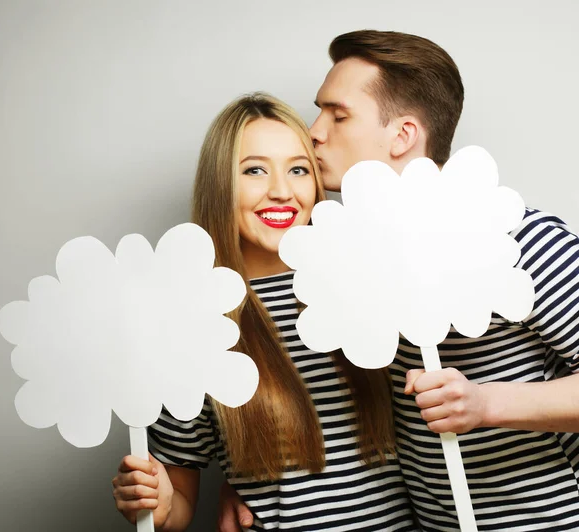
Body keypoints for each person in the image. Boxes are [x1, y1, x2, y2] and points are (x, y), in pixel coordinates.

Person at [218, 31, 579, 531]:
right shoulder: (351, 261)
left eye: (337, 115)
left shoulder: (516, 236)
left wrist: (484, 402)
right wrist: (248, 481)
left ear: (403, 135)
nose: (314, 132)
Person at [111, 92, 418, 531]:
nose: (281, 191)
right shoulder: (188, 321)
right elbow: (176, 509)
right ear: (221, 185)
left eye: (298, 169)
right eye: (254, 170)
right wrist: (155, 503)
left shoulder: (370, 282)